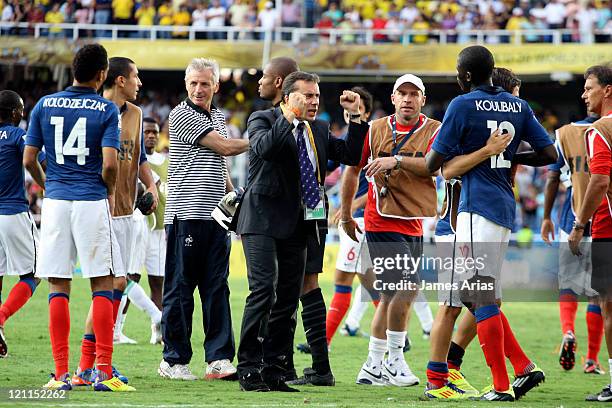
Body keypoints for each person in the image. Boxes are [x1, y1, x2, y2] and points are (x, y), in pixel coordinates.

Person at [426, 45, 557, 401]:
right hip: (503, 208)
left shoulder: (462, 106)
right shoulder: (519, 107)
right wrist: (510, 153)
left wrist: (484, 152)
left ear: (466, 74)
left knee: (474, 296)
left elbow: (436, 165)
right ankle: (522, 368)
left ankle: (499, 385)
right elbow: (550, 154)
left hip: (472, 209)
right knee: (482, 297)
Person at [234, 71, 368, 392]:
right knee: (264, 291)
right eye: (307, 96)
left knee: (287, 300)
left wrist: (355, 118)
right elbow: (265, 149)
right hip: (262, 220)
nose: (314, 101)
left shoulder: (318, 129)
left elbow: (351, 155)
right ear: (288, 97)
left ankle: (276, 369)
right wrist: (288, 118)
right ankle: (249, 367)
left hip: (301, 221)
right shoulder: (262, 119)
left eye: (316, 96)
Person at [24, 43, 134, 392]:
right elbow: (111, 164)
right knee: (102, 282)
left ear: (73, 68)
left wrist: (48, 187)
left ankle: (59, 376)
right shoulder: (105, 109)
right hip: (90, 200)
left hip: (55, 203)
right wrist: (106, 188)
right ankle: (103, 371)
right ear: (102, 74)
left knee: (59, 285)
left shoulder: (45, 104)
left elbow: (29, 160)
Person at [423, 67, 524, 399]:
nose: (515, 103)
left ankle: (456, 370)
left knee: (484, 300)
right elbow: (441, 168)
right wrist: (488, 151)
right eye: (513, 94)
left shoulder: (484, 134)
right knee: (457, 304)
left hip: (475, 222)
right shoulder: (463, 137)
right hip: (456, 229)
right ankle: (439, 379)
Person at [70, 56, 162, 388]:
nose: (140, 83)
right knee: (112, 285)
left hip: (127, 212)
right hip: (100, 210)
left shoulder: (136, 115)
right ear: (120, 80)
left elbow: (139, 158)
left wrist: (151, 186)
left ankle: (90, 366)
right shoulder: (93, 110)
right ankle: (92, 365)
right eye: (136, 76)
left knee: (113, 286)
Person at [343, 74, 438, 388]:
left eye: (414, 94)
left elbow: (432, 166)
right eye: (403, 93)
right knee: (406, 287)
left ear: (422, 100)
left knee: (391, 295)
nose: (408, 99)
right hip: (380, 218)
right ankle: (395, 360)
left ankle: (372, 365)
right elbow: (352, 170)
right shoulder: (375, 129)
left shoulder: (435, 130)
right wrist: (345, 213)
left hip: (413, 218)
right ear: (394, 98)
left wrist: (393, 161)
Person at [158, 58, 248, 381]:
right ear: (186, 84)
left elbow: (220, 165)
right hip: (186, 213)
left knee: (216, 288)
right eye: (194, 83)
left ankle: (219, 360)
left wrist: (232, 198)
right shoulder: (180, 114)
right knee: (181, 289)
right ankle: (173, 360)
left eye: (205, 83)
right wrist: (260, 139)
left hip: (216, 218)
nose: (199, 88)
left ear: (216, 85)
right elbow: (223, 148)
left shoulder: (219, 117)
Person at [541, 108, 603, 375]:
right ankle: (591, 359)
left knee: (568, 284)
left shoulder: (565, 133)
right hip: (602, 216)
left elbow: (553, 177)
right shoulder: (606, 132)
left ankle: (568, 331)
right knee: (599, 293)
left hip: (570, 217)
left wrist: (546, 217)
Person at [567, 64, 612, 402]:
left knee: (608, 307)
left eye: (589, 87)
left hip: (608, 228)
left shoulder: (599, 129)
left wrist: (579, 225)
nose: (584, 94)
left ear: (607, 90)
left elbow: (599, 180)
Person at [0, 90, 45, 358]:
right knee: (35, 273)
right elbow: (36, 159)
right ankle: (1, 317)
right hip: (12, 213)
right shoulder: (18, 135)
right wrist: (48, 183)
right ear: (16, 112)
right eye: (21, 110)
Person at [128, 117, 166, 345]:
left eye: (155, 132)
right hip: (138, 223)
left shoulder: (164, 160)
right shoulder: (134, 158)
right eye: (147, 132)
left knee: (157, 281)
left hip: (159, 229)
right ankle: (117, 328)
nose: (151, 136)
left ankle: (157, 331)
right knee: (131, 275)